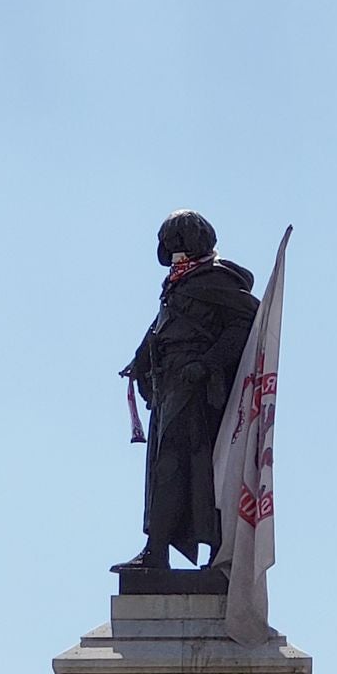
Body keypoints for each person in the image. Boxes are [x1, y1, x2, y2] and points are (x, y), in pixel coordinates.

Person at [113, 210, 259, 573]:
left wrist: (206, 363)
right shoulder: (179, 284)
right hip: (170, 386)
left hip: (199, 390)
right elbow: (162, 329)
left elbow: (244, 327)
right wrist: (140, 361)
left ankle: (215, 553)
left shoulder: (217, 280)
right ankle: (156, 551)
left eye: (176, 241)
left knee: (197, 470)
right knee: (165, 470)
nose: (171, 250)